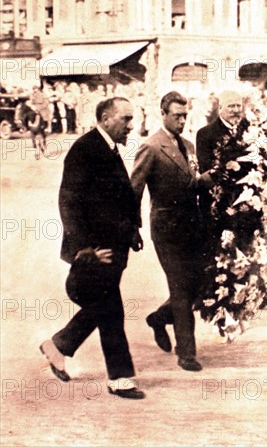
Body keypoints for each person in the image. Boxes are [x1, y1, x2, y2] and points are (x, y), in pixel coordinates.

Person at [39, 97, 145, 400]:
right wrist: (84, 248)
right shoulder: (85, 149)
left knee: (105, 307)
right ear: (106, 118)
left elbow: (120, 197)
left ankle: (58, 346)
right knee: (111, 310)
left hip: (113, 246)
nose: (131, 125)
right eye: (125, 119)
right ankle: (120, 378)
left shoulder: (108, 148)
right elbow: (68, 201)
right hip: (97, 250)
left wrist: (132, 230)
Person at [131, 91, 209, 372]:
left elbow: (191, 184)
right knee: (180, 288)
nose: (182, 120)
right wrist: (132, 228)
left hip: (193, 226)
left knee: (198, 284)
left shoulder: (188, 145)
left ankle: (158, 318)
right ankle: (186, 353)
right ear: (162, 114)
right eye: (176, 115)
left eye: (185, 115)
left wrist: (206, 180)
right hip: (166, 228)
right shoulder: (151, 147)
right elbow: (134, 190)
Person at [196, 90, 267, 309]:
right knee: (223, 248)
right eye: (231, 106)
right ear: (220, 109)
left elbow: (261, 160)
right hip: (222, 203)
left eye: (238, 106)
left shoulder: (251, 130)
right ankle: (222, 296)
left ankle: (258, 293)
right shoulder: (206, 133)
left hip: (250, 200)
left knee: (254, 244)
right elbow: (207, 167)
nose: (236, 111)